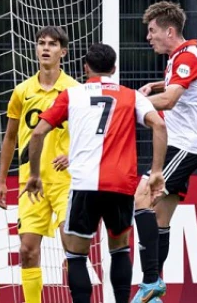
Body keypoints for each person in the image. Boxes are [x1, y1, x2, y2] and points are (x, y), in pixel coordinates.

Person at [21, 43, 168, 303]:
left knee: (76, 254)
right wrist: (156, 171)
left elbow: (38, 132)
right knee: (119, 249)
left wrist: (34, 175)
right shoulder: (131, 95)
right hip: (121, 185)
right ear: (113, 69)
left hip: (84, 184)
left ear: (85, 67)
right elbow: (158, 124)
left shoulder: (71, 95)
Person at [0, 26, 79, 303]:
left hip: (66, 180)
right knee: (28, 250)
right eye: (41, 43)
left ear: (62, 52)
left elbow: (90, 135)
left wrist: (74, 156)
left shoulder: (75, 91)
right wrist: (1, 181)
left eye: (52, 44)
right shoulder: (22, 91)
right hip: (31, 183)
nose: (46, 48)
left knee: (73, 247)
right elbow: (9, 138)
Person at [137, 1, 197, 287]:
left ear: (169, 31)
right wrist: (155, 85)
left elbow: (169, 100)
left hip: (183, 147)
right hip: (181, 145)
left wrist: (128, 101)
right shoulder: (180, 58)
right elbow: (177, 88)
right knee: (160, 221)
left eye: (152, 30)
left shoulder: (187, 57)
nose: (148, 37)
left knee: (140, 198)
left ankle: (150, 282)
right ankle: (153, 285)